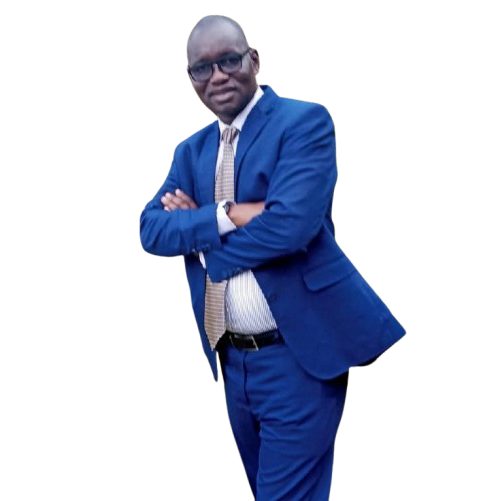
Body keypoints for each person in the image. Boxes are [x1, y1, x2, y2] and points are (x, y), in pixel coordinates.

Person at [139, 14, 406, 500]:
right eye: (202, 69)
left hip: (299, 356)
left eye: (229, 60)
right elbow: (151, 230)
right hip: (233, 363)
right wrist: (228, 213)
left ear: (255, 60)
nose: (218, 76)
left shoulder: (303, 123)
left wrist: (201, 242)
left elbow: (290, 227)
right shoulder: (190, 152)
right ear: (190, 79)